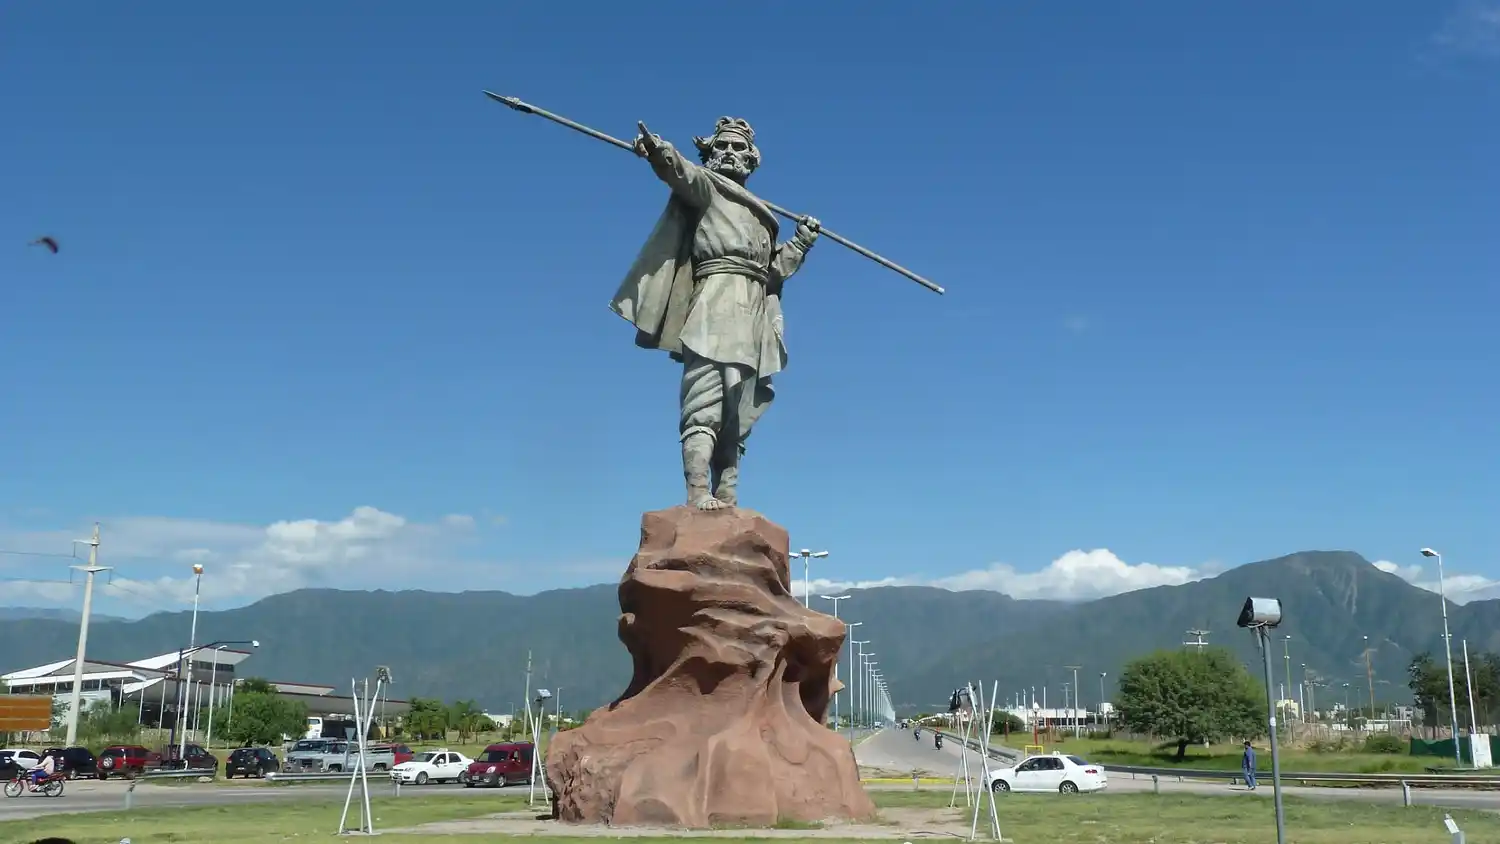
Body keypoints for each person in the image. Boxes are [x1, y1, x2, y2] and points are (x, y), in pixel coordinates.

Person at [616, 116, 821, 510]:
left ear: (751, 159)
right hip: (713, 304)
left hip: (751, 315)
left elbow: (773, 272)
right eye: (720, 147)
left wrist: (801, 242)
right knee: (704, 401)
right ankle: (697, 494)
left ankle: (727, 492)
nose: (729, 153)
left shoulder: (763, 217)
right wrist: (660, 152)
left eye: (737, 148)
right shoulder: (708, 189)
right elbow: (680, 173)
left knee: (736, 412)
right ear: (709, 155)